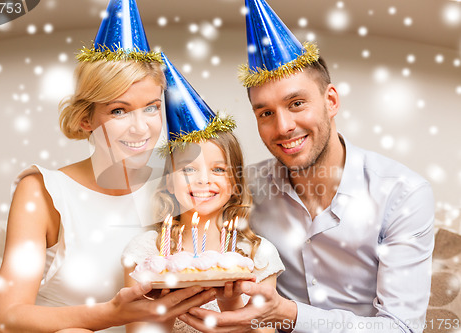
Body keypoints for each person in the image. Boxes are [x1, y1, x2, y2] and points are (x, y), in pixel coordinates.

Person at [178, 0, 435, 332]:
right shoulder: (245, 187)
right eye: (265, 113)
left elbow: (402, 328)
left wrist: (288, 313)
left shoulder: (402, 194)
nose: (283, 126)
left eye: (296, 103)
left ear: (330, 101)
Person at [0, 1, 215, 332]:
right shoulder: (41, 193)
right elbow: (7, 320)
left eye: (151, 108)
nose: (141, 128)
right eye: (119, 111)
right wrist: (113, 314)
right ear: (86, 119)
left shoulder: (177, 186)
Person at [121, 54, 285, 333]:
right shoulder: (147, 253)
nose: (203, 181)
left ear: (235, 182)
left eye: (219, 169)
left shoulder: (258, 254)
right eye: (188, 170)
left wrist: (231, 306)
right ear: (169, 183)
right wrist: (163, 306)